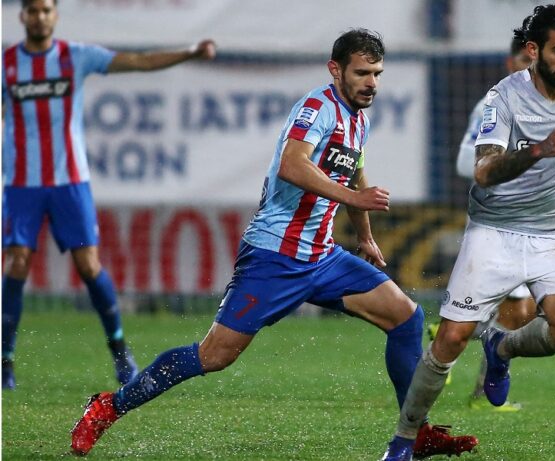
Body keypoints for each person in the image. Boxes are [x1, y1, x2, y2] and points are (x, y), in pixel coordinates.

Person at [70, 29, 477, 458]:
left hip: (322, 258)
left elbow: (354, 171)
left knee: (407, 318)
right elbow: (292, 165)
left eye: (377, 73)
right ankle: (108, 407)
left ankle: (414, 433)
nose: (371, 83)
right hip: (274, 255)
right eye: (362, 73)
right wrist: (356, 199)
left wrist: (365, 236)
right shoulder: (317, 108)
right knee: (214, 355)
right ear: (336, 70)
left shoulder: (359, 119)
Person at [381, 5, 555, 460]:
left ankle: (501, 346)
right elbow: (484, 171)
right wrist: (538, 149)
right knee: (450, 339)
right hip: (494, 230)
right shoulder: (502, 99)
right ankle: (403, 441)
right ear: (533, 50)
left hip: (554, 233)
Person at [1, 0, 216, 390]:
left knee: (88, 266)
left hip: (70, 182)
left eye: (46, 10)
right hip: (21, 184)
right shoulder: (7, 63)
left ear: (55, 15)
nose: (39, 17)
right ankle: (5, 360)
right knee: (15, 264)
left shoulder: (74, 57)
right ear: (22, 16)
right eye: (33, 10)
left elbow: (138, 61)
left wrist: (190, 52)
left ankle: (119, 349)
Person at [443, 15, 538, 412]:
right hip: (496, 222)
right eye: (524, 61)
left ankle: (480, 382)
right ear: (510, 63)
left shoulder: (549, 104)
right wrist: (511, 162)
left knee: (521, 311)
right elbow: (464, 160)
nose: (530, 69)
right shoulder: (493, 103)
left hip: (530, 221)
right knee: (511, 311)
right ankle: (479, 389)